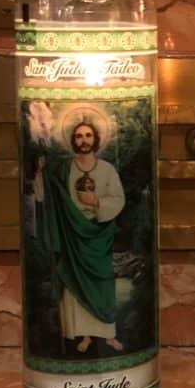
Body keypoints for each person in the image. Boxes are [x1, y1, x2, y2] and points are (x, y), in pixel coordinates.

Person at [33, 120, 126, 355]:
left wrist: (96, 202)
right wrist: (41, 172)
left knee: (102, 282)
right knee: (74, 285)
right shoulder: (63, 169)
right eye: (78, 136)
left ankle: (107, 334)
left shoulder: (107, 169)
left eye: (87, 135)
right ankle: (83, 334)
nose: (83, 140)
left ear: (95, 139)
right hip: (71, 235)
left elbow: (118, 199)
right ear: (73, 141)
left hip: (97, 235)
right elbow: (46, 194)